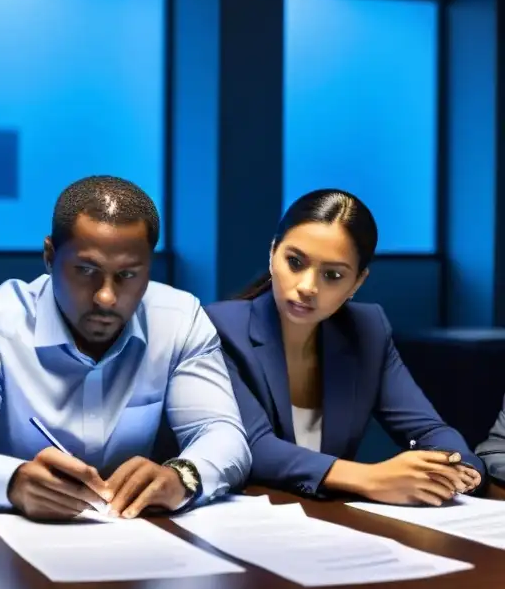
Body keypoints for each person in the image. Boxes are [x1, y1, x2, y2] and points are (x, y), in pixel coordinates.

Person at [0, 176, 250, 520]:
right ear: (49, 256)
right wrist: (12, 482)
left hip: (131, 540)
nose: (106, 296)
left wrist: (182, 476)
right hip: (12, 543)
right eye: (86, 270)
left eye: (128, 275)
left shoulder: (180, 320)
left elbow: (223, 435)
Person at [206, 189, 484, 505]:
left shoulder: (368, 330)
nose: (308, 287)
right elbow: (251, 446)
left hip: (332, 521)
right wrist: (372, 478)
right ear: (272, 254)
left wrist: (456, 468)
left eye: (333, 275)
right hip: (244, 519)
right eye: (295, 262)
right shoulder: (219, 327)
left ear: (357, 283)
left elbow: (428, 430)